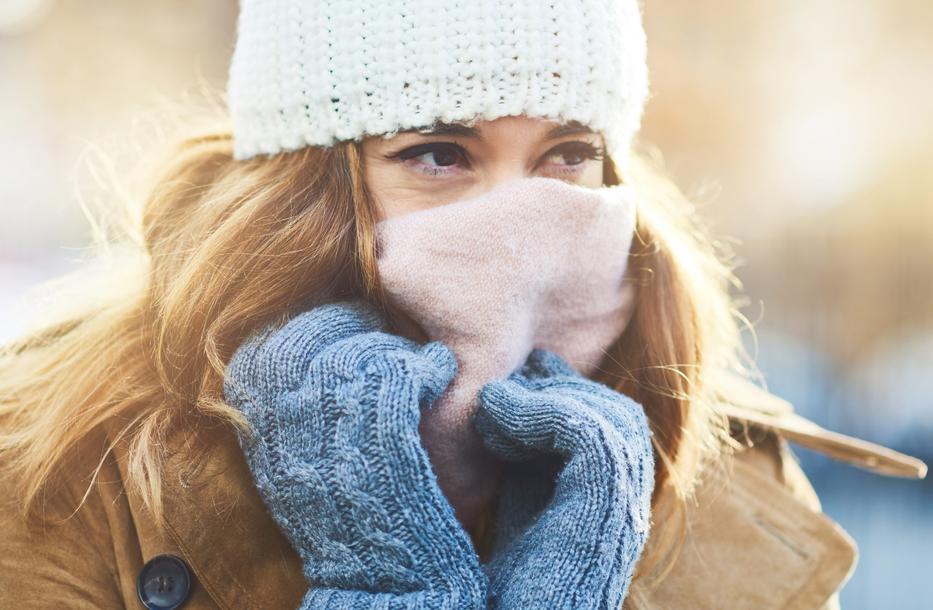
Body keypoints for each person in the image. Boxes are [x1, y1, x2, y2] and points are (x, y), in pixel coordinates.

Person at [0, 1, 926, 609]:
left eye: (567, 154)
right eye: (439, 154)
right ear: (301, 188)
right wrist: (386, 588)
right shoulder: (58, 462)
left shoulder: (722, 476)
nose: (517, 221)